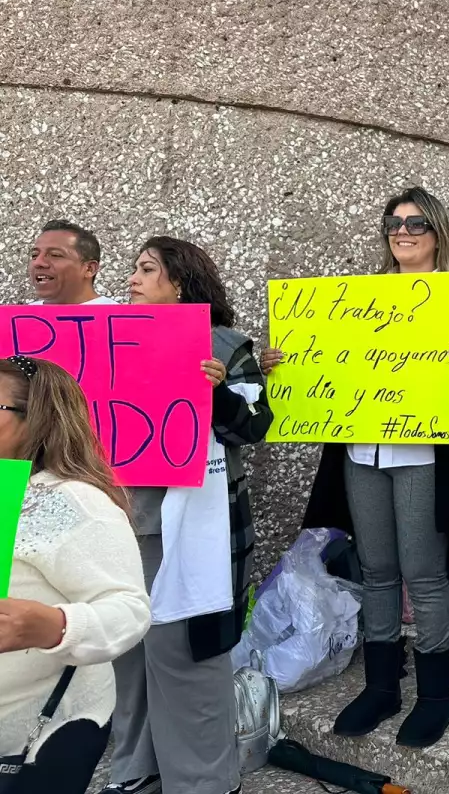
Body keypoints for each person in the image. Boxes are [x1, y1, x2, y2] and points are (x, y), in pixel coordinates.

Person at [291, 187, 449, 747]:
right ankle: (382, 685)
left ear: (438, 231)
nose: (402, 231)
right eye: (393, 222)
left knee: (425, 572)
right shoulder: (354, 298)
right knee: (376, 569)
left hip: (426, 452)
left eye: (415, 222)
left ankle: (434, 692)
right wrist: (287, 361)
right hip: (362, 448)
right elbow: (326, 361)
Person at [103, 237, 273, 794]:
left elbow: (253, 425)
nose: (132, 279)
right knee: (127, 656)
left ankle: (204, 781)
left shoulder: (226, 345)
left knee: (185, 656)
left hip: (188, 530)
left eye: (147, 269)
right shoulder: (114, 341)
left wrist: (217, 393)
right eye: (132, 269)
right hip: (121, 524)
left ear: (179, 281)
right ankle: (137, 772)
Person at [0, 356, 150, 794]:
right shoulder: (7, 486)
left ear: (37, 420)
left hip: (39, 737)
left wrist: (56, 626)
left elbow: (129, 609)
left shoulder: (74, 504)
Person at [28, 220, 115, 305]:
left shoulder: (119, 317)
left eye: (55, 255)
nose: (38, 262)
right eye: (34, 255)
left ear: (89, 269)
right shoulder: (23, 316)